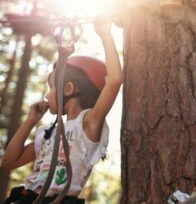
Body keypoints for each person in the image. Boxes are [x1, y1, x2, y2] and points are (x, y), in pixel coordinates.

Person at [1, 20, 123, 203]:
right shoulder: (48, 133)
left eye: (51, 87)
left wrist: (105, 34)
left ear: (68, 88)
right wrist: (30, 121)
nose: (46, 94)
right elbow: (8, 162)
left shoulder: (88, 124)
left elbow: (114, 81)